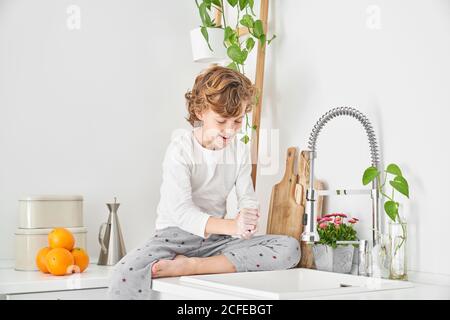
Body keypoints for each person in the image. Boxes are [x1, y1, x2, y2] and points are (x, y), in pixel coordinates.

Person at [107, 65, 300, 299]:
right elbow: (181, 212)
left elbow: (246, 195)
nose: (230, 130)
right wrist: (232, 225)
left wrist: (248, 215)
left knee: (289, 248)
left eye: (238, 121)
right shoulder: (180, 150)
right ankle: (192, 262)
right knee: (123, 274)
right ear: (200, 112)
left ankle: (192, 265)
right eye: (222, 121)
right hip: (173, 239)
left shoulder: (239, 151)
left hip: (216, 243)